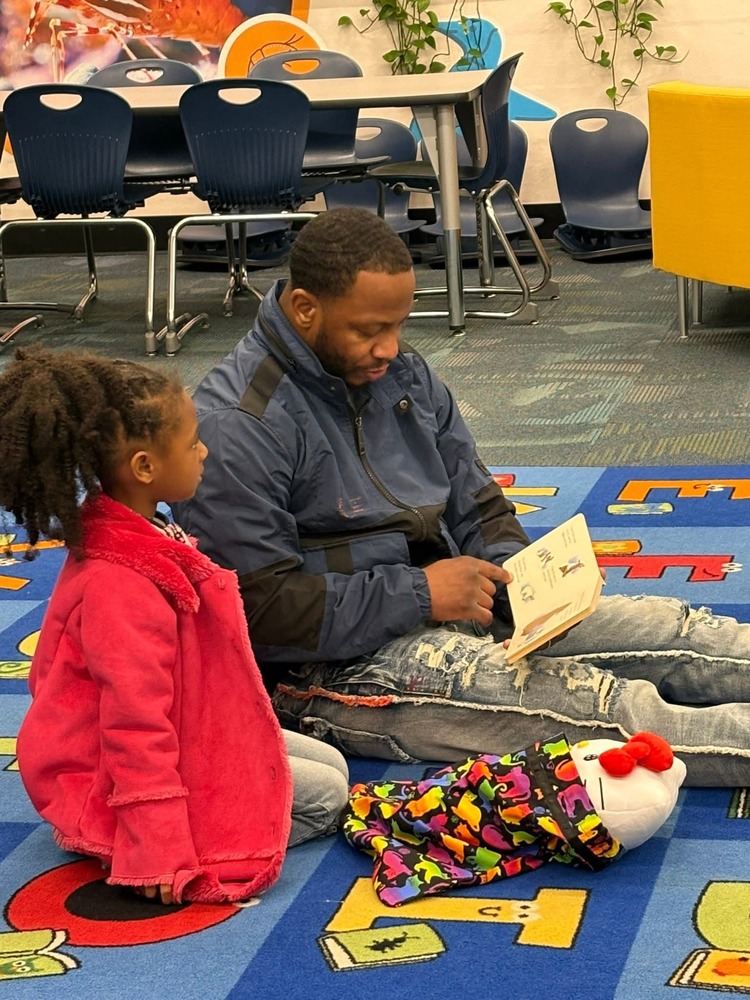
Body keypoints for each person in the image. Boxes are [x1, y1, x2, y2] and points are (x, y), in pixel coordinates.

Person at [174, 207, 750, 789]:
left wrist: (518, 580)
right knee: (607, 707)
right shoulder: (237, 425)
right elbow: (256, 613)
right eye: (369, 330)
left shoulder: (402, 374)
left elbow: (477, 500)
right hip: (329, 668)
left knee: (676, 632)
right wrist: (420, 593)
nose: (389, 348)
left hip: (453, 600)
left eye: (398, 326)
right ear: (305, 308)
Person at [0, 346, 349, 906]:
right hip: (107, 774)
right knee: (326, 797)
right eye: (192, 443)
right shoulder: (119, 582)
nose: (203, 451)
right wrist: (156, 843)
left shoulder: (137, 529)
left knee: (330, 763)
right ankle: (118, 840)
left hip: (179, 723)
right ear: (145, 468)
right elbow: (132, 723)